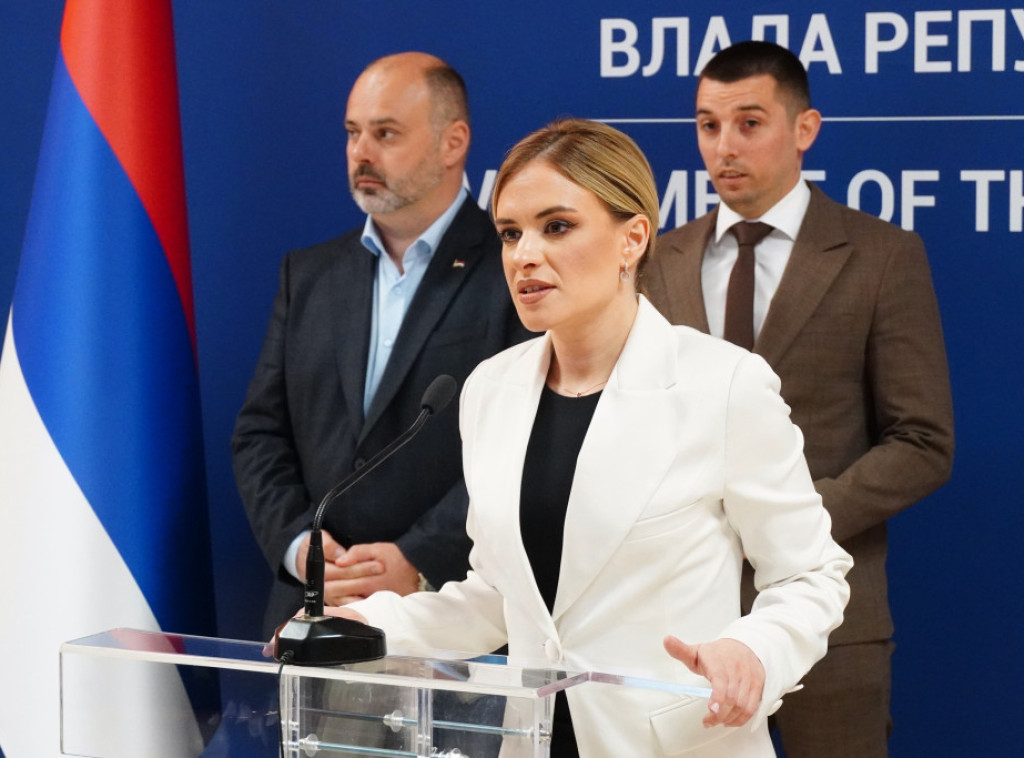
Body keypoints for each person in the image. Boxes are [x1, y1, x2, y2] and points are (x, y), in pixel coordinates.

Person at [312, 119, 852, 757]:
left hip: (674, 743)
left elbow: (811, 575)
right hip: (533, 739)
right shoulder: (491, 390)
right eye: (510, 232)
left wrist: (753, 651)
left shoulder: (723, 385)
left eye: (557, 226)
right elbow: (498, 598)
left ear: (633, 238)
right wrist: (368, 622)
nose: (524, 254)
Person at [643, 41, 955, 758]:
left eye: (749, 123)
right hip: (683, 621)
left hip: (832, 618)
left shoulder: (882, 256)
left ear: (805, 128)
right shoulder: (658, 261)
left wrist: (791, 522)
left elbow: (923, 441)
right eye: (708, 125)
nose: (724, 146)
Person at [232, 52, 526, 639]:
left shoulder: (514, 270)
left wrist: (419, 557)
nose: (361, 152)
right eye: (353, 133)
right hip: (313, 610)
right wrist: (299, 546)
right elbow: (260, 433)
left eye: (385, 133)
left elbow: (524, 448)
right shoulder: (309, 274)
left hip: (451, 620)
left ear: (453, 142)